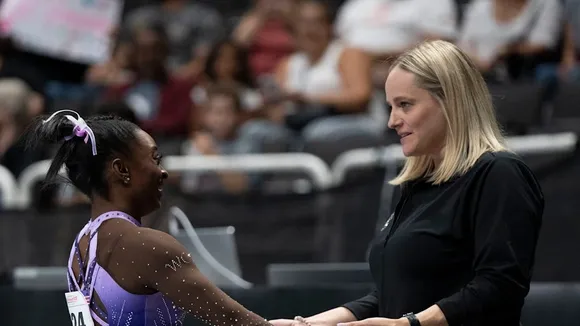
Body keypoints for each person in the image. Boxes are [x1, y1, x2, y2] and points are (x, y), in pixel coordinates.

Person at [270, 40, 544, 326]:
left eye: (405, 105)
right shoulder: (417, 184)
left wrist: (409, 324)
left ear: (450, 101)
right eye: (390, 106)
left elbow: (500, 286)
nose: (391, 121)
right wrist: (305, 324)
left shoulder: (499, 173)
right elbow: (392, 296)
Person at [22, 110, 271, 326]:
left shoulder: (80, 247)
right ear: (121, 169)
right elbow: (235, 321)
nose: (163, 172)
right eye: (154, 158)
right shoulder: (148, 247)